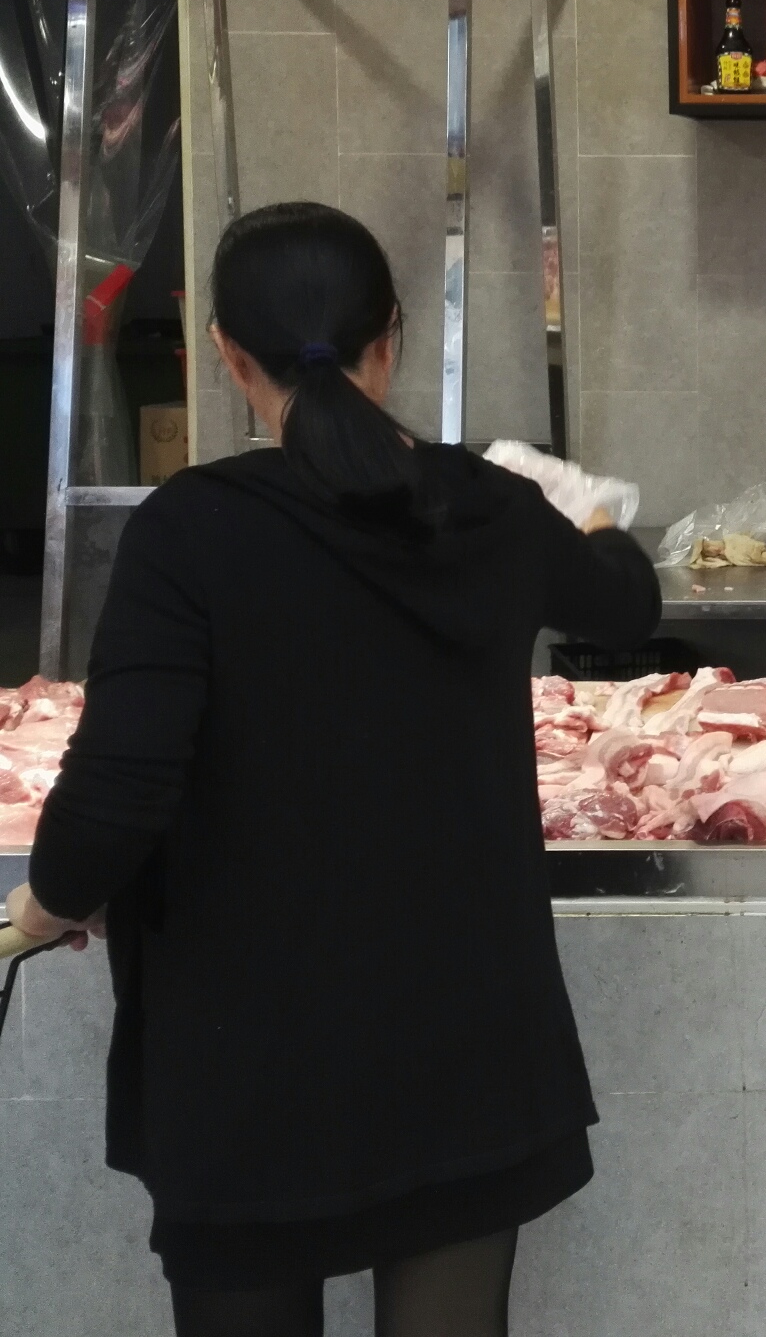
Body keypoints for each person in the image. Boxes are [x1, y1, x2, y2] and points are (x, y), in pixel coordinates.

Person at [4, 203, 659, 1337]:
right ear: (389, 339)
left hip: (250, 1058)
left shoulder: (190, 531)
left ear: (227, 354)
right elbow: (626, 605)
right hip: (464, 1032)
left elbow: (119, 786)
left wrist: (40, 908)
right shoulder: (491, 508)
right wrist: (590, 519)